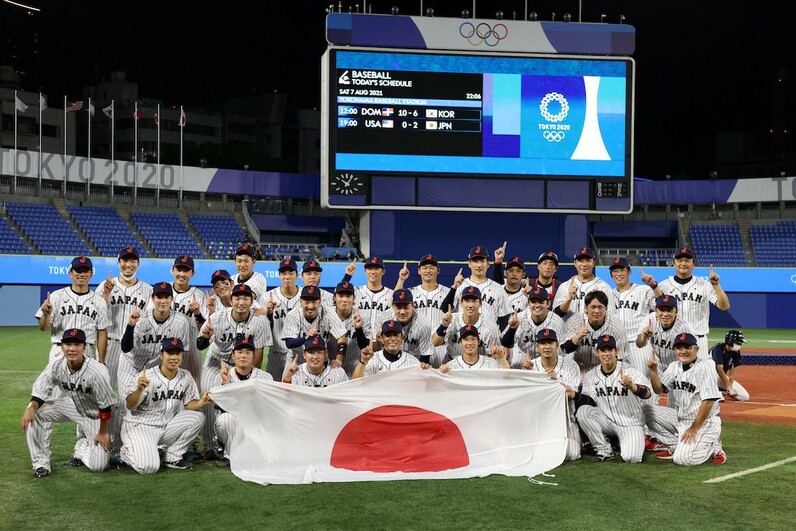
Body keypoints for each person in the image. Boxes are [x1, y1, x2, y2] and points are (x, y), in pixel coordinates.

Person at [21, 328, 116, 478]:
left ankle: (81, 446)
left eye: (77, 344)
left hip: (96, 416)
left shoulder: (97, 372)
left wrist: (103, 432)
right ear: (62, 347)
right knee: (35, 413)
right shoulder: (56, 366)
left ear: (84, 347)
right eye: (68, 344)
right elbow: (41, 390)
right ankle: (40, 463)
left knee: (100, 466)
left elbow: (106, 405)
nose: (72, 348)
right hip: (74, 407)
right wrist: (30, 407)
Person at [198, 283, 271, 458]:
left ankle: (237, 443)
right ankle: (210, 445)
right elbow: (199, 345)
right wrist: (205, 337)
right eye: (237, 298)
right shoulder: (216, 318)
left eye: (246, 298)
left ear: (252, 301)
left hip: (243, 364)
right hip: (216, 362)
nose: (241, 302)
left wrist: (252, 377)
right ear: (231, 300)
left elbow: (258, 352)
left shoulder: (260, 321)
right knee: (209, 400)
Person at [119, 338, 211, 474]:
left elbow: (188, 405)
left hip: (166, 427)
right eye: (170, 353)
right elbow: (130, 405)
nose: (174, 357)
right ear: (161, 355)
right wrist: (139, 390)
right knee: (149, 468)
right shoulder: (146, 377)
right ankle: (126, 453)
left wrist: (201, 402)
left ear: (181, 355)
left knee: (198, 417)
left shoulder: (186, 376)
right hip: (141, 427)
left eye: (177, 353)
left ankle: (172, 457)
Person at [647, 333, 727, 465]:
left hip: (704, 422)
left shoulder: (705, 367)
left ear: (697, 349)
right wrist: (654, 371)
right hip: (681, 420)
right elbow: (658, 389)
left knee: (682, 459)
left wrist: (694, 428)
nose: (683, 351)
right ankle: (675, 446)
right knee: (646, 410)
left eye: (688, 347)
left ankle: (713, 446)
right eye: (679, 348)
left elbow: (708, 402)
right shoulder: (674, 366)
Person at [575, 335, 653, 463]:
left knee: (631, 458)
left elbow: (648, 394)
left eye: (609, 350)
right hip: (606, 421)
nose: (606, 354)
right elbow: (589, 401)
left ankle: (621, 440)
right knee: (583, 411)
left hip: (630, 423)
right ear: (597, 353)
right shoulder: (591, 375)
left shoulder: (630, 371)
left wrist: (633, 387)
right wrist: (574, 395)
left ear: (616, 351)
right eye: (602, 350)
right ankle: (604, 450)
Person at [641, 247, 730, 358]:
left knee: (699, 374)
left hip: (697, 339)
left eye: (687, 260)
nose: (683, 263)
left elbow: (724, 306)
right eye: (680, 260)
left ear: (693, 264)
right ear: (673, 263)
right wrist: (654, 286)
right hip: (671, 340)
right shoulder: (664, 285)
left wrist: (716, 285)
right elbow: (660, 305)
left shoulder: (704, 285)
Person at [35, 256, 110, 362]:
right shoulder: (56, 296)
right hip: (60, 350)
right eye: (78, 271)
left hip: (87, 350)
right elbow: (43, 328)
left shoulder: (99, 301)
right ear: (70, 273)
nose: (82, 274)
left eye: (85, 271)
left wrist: (102, 361)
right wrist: (46, 316)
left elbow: (102, 333)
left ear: (91, 274)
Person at [214, 336, 273, 467]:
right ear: (233, 356)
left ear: (254, 356)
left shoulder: (266, 378)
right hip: (231, 425)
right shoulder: (224, 375)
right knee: (226, 420)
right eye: (240, 352)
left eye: (248, 352)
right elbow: (221, 408)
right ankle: (229, 455)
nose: (243, 356)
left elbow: (270, 409)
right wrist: (226, 384)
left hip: (256, 425)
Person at [98, 246, 152, 388]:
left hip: (135, 347)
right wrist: (106, 294)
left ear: (138, 264)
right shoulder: (105, 286)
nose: (128, 264)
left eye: (133, 261)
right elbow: (98, 317)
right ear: (118, 263)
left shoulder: (148, 290)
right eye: (124, 260)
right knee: (104, 388)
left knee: (131, 390)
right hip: (110, 343)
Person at [394, 254, 459, 367]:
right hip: (415, 346)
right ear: (419, 271)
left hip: (440, 347)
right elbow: (394, 301)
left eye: (431, 267)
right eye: (424, 267)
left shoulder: (449, 293)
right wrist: (401, 280)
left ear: (438, 271)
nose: (428, 270)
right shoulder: (411, 292)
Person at [528, 329, 581, 461]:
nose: (547, 347)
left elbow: (570, 394)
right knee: (534, 452)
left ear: (557, 345)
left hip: (565, 420)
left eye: (550, 343)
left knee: (572, 453)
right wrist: (529, 376)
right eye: (543, 343)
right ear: (537, 346)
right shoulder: (531, 366)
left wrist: (555, 383)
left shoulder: (571, 365)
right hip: (541, 420)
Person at [281, 285, 348, 377]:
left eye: (314, 302)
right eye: (307, 302)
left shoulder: (328, 313)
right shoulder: (293, 315)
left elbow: (341, 337)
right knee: (286, 388)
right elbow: (289, 343)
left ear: (320, 302)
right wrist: (306, 338)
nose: (310, 306)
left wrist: (339, 359)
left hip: (320, 361)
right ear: (300, 302)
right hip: (296, 360)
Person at [561, 291, 628, 375]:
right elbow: (564, 349)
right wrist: (578, 336)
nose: (596, 311)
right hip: (577, 368)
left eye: (600, 307)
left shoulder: (616, 326)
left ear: (606, 308)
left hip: (604, 370)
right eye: (593, 307)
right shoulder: (575, 322)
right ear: (586, 308)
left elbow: (620, 357)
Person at [609, 257, 656, 374]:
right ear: (611, 275)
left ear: (629, 272)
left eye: (622, 270)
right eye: (615, 271)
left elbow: (661, 306)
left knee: (644, 380)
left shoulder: (643, 290)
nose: (618, 274)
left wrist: (654, 286)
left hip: (639, 344)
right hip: (618, 346)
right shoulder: (609, 294)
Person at [432, 286, 501, 361]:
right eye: (467, 301)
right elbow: (435, 342)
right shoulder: (452, 320)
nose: (470, 305)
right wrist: (444, 326)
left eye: (474, 301)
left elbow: (493, 355)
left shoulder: (490, 327)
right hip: (452, 360)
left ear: (480, 303)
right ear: (461, 302)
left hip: (479, 364)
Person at [502, 286, 565, 367]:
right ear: (528, 304)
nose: (537, 305)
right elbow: (506, 344)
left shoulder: (557, 323)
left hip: (547, 362)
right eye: (533, 302)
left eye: (541, 302)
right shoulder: (519, 318)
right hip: (522, 358)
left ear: (548, 303)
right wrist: (512, 329)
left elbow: (562, 351)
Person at [168, 255, 206, 385]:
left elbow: (204, 329)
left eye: (186, 271)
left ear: (192, 274)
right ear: (172, 270)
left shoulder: (199, 296)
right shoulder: (162, 291)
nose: (182, 274)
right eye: (179, 269)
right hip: (165, 348)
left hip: (190, 350)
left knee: (193, 386)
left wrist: (198, 314)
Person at [370, 289, 434, 364]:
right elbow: (376, 350)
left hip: (413, 363)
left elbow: (425, 355)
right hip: (386, 363)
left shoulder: (423, 324)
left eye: (406, 307)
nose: (402, 312)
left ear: (413, 305)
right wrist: (378, 341)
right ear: (393, 306)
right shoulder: (382, 320)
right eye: (399, 307)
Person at [453, 245, 512, 327]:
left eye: (482, 261)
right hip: (464, 337)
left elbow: (504, 319)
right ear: (469, 264)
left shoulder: (498, 289)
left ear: (488, 264)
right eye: (475, 261)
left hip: (489, 337)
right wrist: (453, 288)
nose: (479, 265)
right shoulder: (460, 286)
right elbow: (447, 311)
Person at [552, 247, 614, 325]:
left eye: (588, 260)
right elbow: (556, 316)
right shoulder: (564, 286)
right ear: (575, 263)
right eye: (580, 260)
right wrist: (569, 299)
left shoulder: (604, 287)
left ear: (593, 263)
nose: (584, 264)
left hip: (594, 335)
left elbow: (610, 316)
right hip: (569, 334)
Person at [263, 258, 302, 381]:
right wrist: (268, 314)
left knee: (294, 392)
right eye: (284, 273)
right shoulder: (268, 297)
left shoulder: (305, 296)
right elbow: (262, 327)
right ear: (279, 275)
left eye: (291, 273)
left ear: (297, 275)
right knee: (273, 390)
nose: (287, 277)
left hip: (299, 353)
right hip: (275, 352)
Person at [635, 295, 694, 373]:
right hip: (658, 366)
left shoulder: (684, 328)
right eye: (662, 310)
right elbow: (639, 344)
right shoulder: (651, 320)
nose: (665, 314)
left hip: (678, 368)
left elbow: (691, 355)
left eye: (669, 310)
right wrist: (644, 336)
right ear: (656, 310)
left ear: (676, 311)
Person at [353, 320, 422, 377]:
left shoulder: (413, 362)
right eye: (388, 335)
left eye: (396, 335)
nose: (392, 339)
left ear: (402, 338)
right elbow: (354, 383)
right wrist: (363, 362)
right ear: (382, 338)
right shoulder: (371, 360)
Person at [330, 281, 371, 376]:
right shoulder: (327, 316)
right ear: (334, 297)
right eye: (341, 296)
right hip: (331, 365)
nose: (344, 300)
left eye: (348, 296)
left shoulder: (363, 317)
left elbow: (365, 347)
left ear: (353, 299)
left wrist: (359, 328)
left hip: (355, 365)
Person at [345, 256, 394, 334]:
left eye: (376, 268)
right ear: (365, 271)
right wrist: (347, 276)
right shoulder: (356, 291)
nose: (373, 272)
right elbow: (338, 296)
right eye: (369, 268)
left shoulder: (391, 294)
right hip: (358, 339)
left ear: (383, 272)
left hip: (381, 340)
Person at [439, 325, 510, 372]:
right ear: (460, 342)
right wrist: (441, 373)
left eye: (473, 339)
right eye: (466, 339)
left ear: (478, 342)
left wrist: (501, 359)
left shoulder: (491, 364)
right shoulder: (451, 366)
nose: (470, 343)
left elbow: (507, 378)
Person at [710, 329, 750, 402]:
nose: (739, 345)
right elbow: (719, 369)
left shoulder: (736, 352)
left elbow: (732, 370)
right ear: (730, 341)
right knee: (719, 398)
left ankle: (720, 391)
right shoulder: (718, 349)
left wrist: (730, 386)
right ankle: (715, 392)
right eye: (738, 342)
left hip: (720, 378)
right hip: (709, 376)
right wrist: (728, 386)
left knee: (744, 397)